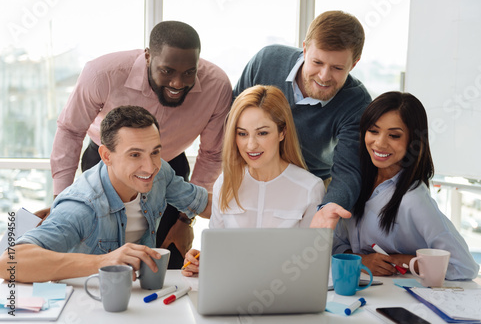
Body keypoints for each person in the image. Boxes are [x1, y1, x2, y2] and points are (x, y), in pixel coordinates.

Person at [47, 21, 232, 268]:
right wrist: (61, 201)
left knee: (169, 258)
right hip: (107, 160)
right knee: (102, 250)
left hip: (169, 162)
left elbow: (211, 156)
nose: (178, 83)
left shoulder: (217, 85)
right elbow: (70, 130)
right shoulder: (101, 74)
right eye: (167, 71)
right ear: (147, 57)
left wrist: (184, 221)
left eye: (189, 72)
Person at [0, 106, 211, 283]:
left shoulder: (160, 172)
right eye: (135, 155)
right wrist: (102, 262)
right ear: (106, 156)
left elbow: (204, 204)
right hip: (86, 304)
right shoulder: (81, 207)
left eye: (155, 152)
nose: (150, 167)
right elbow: (9, 262)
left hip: (139, 297)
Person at [182, 85, 351, 277]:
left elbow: (312, 265)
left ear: (282, 132)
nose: (251, 145)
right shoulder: (226, 182)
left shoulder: (309, 188)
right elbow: (218, 252)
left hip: (284, 294)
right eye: (242, 133)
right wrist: (202, 261)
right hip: (231, 293)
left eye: (262, 133)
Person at [233, 10, 371, 222]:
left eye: (337, 68)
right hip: (251, 174)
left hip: (311, 186)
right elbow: (231, 119)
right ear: (305, 49)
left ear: (353, 64)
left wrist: (330, 207)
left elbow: (348, 170)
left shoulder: (356, 102)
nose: (324, 76)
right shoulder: (266, 61)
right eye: (317, 62)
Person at [331, 91, 479, 280]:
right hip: (355, 287)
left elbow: (464, 267)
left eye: (394, 135)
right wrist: (362, 260)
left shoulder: (413, 198)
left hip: (395, 296)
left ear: (413, 141)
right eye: (373, 131)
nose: (380, 143)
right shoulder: (355, 182)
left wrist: (406, 260)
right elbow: (336, 244)